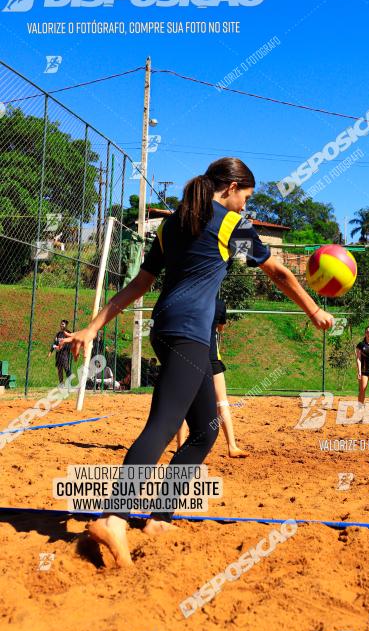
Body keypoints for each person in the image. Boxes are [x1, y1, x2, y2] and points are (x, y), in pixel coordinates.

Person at [61, 157, 334, 566]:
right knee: (163, 424)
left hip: (178, 332)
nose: (246, 206)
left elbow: (141, 283)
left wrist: (94, 326)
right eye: (245, 196)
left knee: (205, 431)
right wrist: (314, 310)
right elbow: (276, 272)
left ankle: (157, 518)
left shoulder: (173, 224)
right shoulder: (228, 223)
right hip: (187, 334)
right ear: (230, 187)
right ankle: (114, 516)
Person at [176, 296, 249, 458]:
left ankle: (181, 445)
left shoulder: (189, 300)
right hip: (211, 357)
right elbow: (220, 328)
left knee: (184, 404)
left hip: (190, 356)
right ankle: (232, 446)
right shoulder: (219, 304)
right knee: (222, 403)